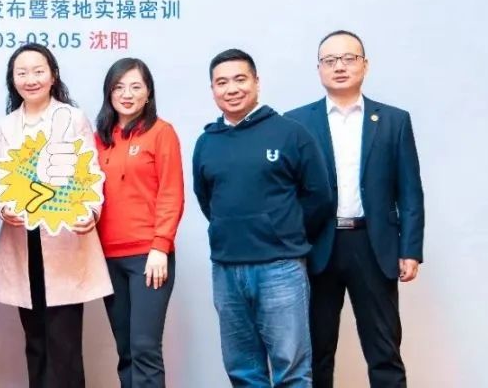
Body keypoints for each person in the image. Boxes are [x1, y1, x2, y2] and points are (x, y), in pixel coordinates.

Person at [285, 30, 425, 388]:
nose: (340, 67)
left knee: (384, 351)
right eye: (330, 60)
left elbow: (410, 191)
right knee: (314, 352)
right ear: (319, 68)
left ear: (365, 65)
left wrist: (410, 249)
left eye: (349, 58)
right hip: (317, 246)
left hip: (373, 245)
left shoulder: (393, 120)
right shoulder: (296, 122)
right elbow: (287, 192)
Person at [192, 48, 333, 387]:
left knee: (291, 370)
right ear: (212, 89)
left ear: (257, 82)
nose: (231, 89)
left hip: (280, 267)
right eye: (222, 82)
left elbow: (319, 197)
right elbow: (207, 200)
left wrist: (283, 230)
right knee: (243, 370)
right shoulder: (206, 142)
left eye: (240, 79)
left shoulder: (290, 133)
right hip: (227, 269)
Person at [0, 42, 112, 388]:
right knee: (36, 340)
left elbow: (91, 172)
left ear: (53, 76)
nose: (31, 79)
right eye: (22, 73)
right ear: (13, 79)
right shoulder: (6, 126)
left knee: (64, 342)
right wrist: (3, 206)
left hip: (64, 238)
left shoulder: (73, 118)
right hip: (23, 241)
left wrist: (91, 210)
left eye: (38, 71)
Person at [94, 58, 185, 388]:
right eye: (119, 87)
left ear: (149, 93)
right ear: (109, 93)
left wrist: (160, 247)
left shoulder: (161, 133)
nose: (127, 94)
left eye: (135, 87)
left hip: (149, 257)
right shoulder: (99, 139)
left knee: (145, 348)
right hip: (107, 258)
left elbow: (171, 193)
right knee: (126, 350)